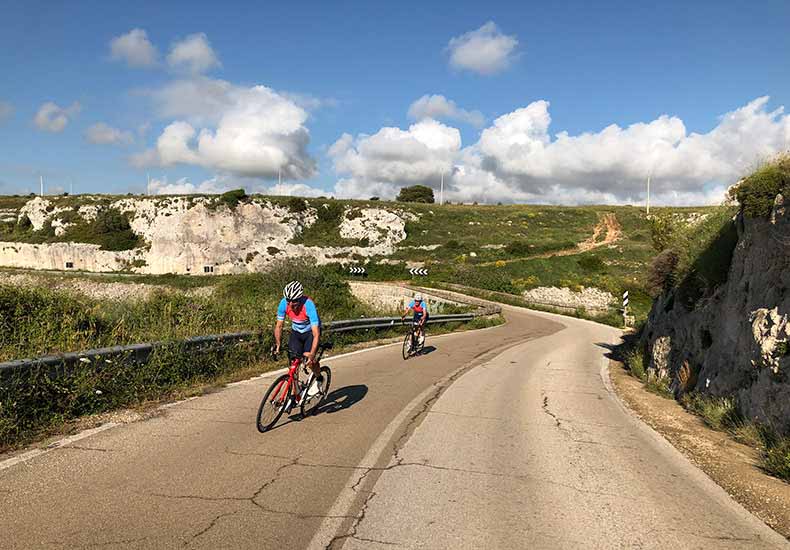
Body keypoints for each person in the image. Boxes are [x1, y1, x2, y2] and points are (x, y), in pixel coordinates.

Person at [274, 280, 323, 400]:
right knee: (293, 364)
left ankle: (319, 378)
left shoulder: (309, 305)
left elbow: (316, 334)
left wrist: (312, 353)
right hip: (296, 333)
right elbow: (279, 326)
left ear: (300, 298)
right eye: (288, 301)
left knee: (310, 361)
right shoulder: (283, 304)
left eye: (294, 301)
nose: (291, 304)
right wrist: (278, 344)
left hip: (310, 333)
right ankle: (297, 393)